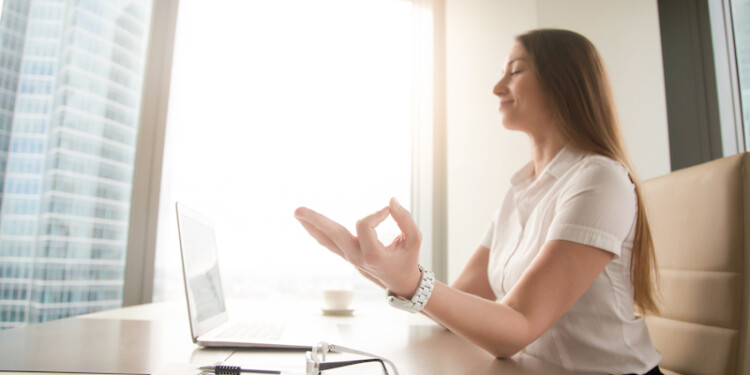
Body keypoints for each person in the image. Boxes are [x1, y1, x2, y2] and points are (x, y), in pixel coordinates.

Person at [294, 28, 663, 375]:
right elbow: (454, 306)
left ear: (564, 84)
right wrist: (371, 266)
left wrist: (409, 281)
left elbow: (516, 328)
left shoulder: (599, 180)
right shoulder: (520, 190)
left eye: (515, 71)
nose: (497, 87)